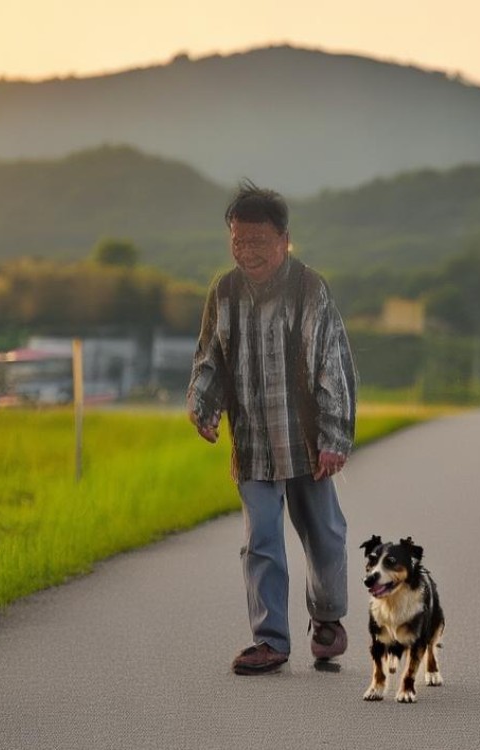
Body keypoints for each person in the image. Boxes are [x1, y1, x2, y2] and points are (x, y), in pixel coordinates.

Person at [187, 181, 358, 675]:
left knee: (324, 534)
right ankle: (270, 640)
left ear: (284, 240)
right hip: (254, 443)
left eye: (258, 243)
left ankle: (327, 620)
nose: (247, 252)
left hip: (307, 444)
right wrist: (203, 404)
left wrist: (334, 437)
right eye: (238, 242)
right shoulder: (224, 291)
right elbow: (210, 358)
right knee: (260, 539)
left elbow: (332, 365)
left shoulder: (309, 289)